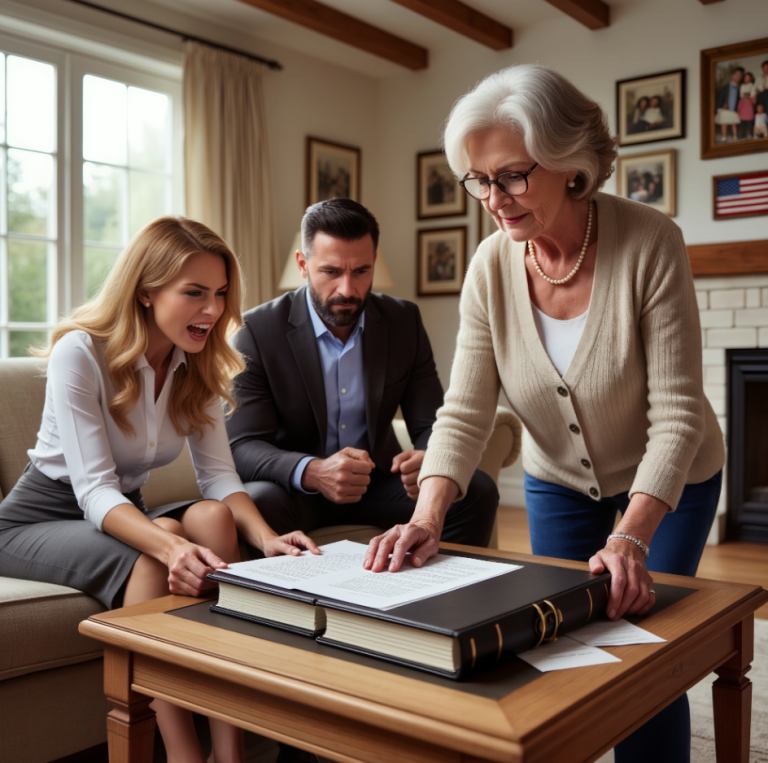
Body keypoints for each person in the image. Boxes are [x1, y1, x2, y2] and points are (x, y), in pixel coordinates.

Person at [364, 64, 725, 763]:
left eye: (512, 176)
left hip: (669, 482)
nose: (493, 199)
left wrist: (631, 536)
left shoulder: (650, 241)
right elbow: (465, 409)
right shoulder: (490, 266)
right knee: (561, 646)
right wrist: (425, 517)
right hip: (558, 482)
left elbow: (678, 413)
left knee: (639, 650)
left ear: (570, 163)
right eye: (479, 180)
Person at [0, 217, 318, 763]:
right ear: (147, 291)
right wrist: (170, 548)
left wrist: (265, 539)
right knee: (158, 551)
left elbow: (219, 477)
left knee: (211, 520)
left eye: (219, 294)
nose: (213, 310)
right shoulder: (84, 352)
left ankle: (230, 751)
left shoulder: (196, 363)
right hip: (34, 520)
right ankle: (182, 755)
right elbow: (94, 491)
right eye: (193, 293)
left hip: (123, 509)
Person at [226, 198, 499, 554]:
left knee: (476, 490)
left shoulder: (404, 322)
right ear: (302, 264)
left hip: (378, 483)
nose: (347, 290)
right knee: (257, 501)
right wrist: (312, 470)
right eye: (331, 272)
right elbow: (242, 445)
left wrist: (430, 457)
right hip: (295, 489)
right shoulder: (257, 330)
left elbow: (429, 422)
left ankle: (442, 595)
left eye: (361, 272)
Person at [715, 67, 743, 142]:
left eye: (740, 75)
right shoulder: (725, 88)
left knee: (734, 123)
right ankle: (724, 137)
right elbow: (720, 98)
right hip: (725, 109)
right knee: (724, 123)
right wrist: (719, 108)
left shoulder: (741, 87)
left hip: (735, 110)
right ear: (732, 75)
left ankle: (735, 137)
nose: (738, 76)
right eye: (736, 74)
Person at [738, 72, 758, 139]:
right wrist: (746, 95)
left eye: (749, 78)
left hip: (749, 103)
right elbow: (741, 95)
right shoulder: (742, 86)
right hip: (743, 103)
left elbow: (752, 95)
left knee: (749, 120)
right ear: (744, 78)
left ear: (751, 78)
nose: (747, 79)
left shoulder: (752, 85)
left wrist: (748, 96)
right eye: (746, 77)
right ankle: (743, 134)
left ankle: (751, 134)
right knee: (743, 120)